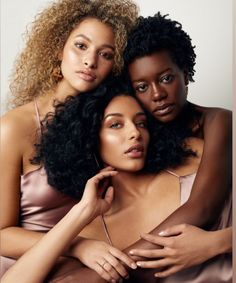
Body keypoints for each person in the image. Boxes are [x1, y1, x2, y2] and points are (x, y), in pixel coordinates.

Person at [1, 78, 231, 283]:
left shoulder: (193, 156)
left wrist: (218, 242)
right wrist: (80, 213)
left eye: (141, 123)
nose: (135, 133)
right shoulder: (91, 233)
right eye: (115, 124)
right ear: (89, 138)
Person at [0, 0, 139, 279]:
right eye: (81, 46)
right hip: (23, 264)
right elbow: (1, 234)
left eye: (106, 54)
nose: (90, 61)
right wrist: (79, 247)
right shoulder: (14, 127)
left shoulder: (110, 120)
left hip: (89, 261)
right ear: (58, 48)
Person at [120, 12, 232, 279]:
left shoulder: (220, 121)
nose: (157, 94)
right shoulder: (138, 138)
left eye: (166, 78)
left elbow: (203, 208)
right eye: (142, 86)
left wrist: (111, 271)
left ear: (186, 72)